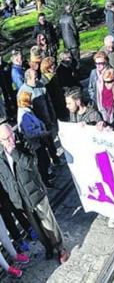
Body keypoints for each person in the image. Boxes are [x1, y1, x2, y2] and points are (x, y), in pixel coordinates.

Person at [0, 123, 69, 264]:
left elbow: (31, 164)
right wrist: (13, 195)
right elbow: (3, 178)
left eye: (11, 135)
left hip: (35, 193)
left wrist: (14, 152)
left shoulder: (23, 144)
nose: (10, 140)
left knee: (49, 224)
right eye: (6, 139)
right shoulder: (0, 156)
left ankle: (60, 248)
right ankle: (48, 247)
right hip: (21, 199)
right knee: (37, 229)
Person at [17, 91, 54, 187]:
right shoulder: (24, 115)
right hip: (35, 144)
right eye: (29, 99)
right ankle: (45, 181)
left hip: (38, 142)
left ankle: (47, 176)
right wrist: (42, 132)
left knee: (44, 159)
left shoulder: (27, 111)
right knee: (41, 162)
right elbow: (30, 133)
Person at [59, 5, 80, 69]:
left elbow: (60, 30)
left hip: (66, 43)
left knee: (69, 58)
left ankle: (71, 70)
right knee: (76, 58)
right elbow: (74, 30)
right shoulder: (70, 17)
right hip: (73, 41)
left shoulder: (61, 18)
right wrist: (77, 39)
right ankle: (77, 71)